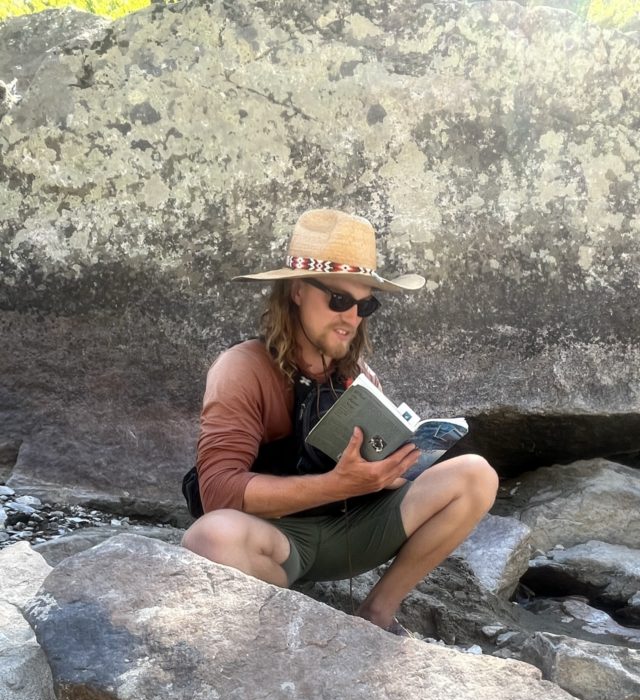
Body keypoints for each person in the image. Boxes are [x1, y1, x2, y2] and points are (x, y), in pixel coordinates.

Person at [181, 208, 498, 634]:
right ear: (296, 291)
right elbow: (217, 490)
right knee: (210, 537)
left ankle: (378, 611)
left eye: (365, 303)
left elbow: (375, 479)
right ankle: (282, 610)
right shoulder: (241, 368)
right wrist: (337, 484)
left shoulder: (360, 377)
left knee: (476, 475)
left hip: (350, 535)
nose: (351, 316)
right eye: (338, 300)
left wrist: (389, 472)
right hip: (275, 541)